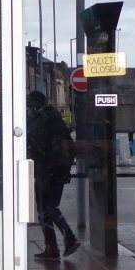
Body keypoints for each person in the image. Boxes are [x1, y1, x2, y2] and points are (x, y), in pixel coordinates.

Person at [27, 90, 80, 261]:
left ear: (34, 106)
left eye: (29, 106)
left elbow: (38, 146)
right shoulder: (55, 119)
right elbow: (69, 147)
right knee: (49, 208)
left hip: (47, 170)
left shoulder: (41, 121)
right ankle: (57, 245)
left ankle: (63, 242)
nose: (28, 110)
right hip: (57, 170)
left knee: (46, 209)